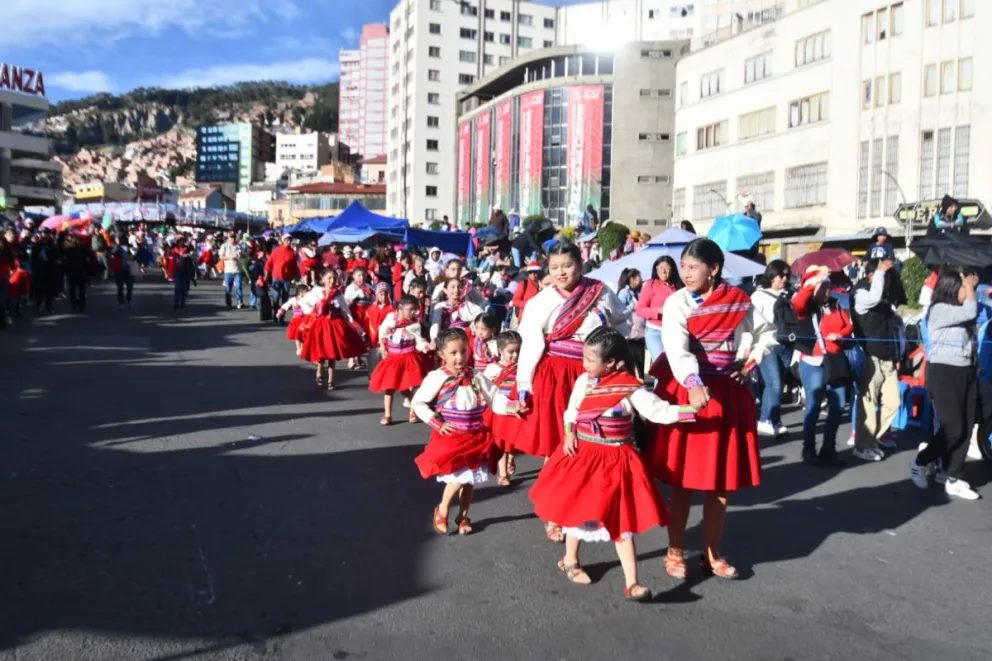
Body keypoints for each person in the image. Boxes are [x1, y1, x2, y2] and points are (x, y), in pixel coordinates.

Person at [529, 327, 696, 601]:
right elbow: (571, 412)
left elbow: (657, 410)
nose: (584, 364)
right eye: (584, 358)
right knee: (579, 511)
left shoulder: (630, 388)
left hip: (617, 460)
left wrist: (691, 410)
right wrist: (569, 433)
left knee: (621, 520)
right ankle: (570, 559)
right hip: (584, 456)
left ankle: (632, 583)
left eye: (589, 359)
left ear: (611, 363)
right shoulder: (584, 382)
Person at [645, 238, 776, 580]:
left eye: (693, 267)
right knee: (684, 480)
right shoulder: (678, 302)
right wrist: (692, 382)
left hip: (728, 392)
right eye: (683, 267)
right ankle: (675, 550)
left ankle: (711, 552)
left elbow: (767, 333)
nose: (685, 273)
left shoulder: (738, 301)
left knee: (720, 482)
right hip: (691, 390)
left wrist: (749, 363)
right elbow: (676, 348)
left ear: (714, 269)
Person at [516, 242, 628, 542]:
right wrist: (524, 385)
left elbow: (622, 319)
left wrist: (614, 352)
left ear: (580, 264)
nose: (561, 272)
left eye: (567, 265)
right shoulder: (541, 301)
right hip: (554, 376)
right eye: (554, 268)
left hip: (593, 373)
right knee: (557, 444)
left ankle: (588, 504)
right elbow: (530, 344)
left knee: (590, 442)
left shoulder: (599, 292)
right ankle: (553, 512)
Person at [412, 328, 511, 535]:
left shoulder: (476, 376)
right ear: (441, 354)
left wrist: (511, 406)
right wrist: (437, 423)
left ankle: (463, 516)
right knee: (459, 477)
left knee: (469, 480)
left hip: (476, 436)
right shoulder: (438, 377)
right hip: (452, 436)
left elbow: (494, 397)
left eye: (464, 351)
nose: (460, 357)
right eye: (453, 353)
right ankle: (443, 509)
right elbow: (418, 402)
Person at [909, 267, 981, 500]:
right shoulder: (939, 309)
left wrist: (970, 286)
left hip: (967, 370)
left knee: (966, 426)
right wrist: (968, 284)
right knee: (953, 427)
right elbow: (971, 310)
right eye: (963, 288)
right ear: (951, 289)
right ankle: (921, 460)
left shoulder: (959, 311)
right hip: (944, 373)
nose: (968, 292)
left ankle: (953, 476)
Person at [791, 266, 853, 466]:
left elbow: (848, 325)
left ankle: (828, 448)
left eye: (829, 287)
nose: (828, 292)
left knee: (838, 404)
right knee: (814, 404)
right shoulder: (805, 306)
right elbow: (798, 302)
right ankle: (809, 448)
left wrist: (840, 335)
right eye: (824, 288)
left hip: (834, 359)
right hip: (813, 360)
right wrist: (814, 281)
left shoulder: (835, 304)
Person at [851, 258, 903, 462]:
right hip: (870, 357)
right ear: (871, 275)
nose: (887, 279)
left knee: (893, 402)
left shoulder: (885, 296)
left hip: (888, 357)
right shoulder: (861, 293)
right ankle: (862, 444)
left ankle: (871, 438)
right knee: (868, 404)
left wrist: (897, 355)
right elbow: (873, 298)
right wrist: (881, 271)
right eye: (883, 275)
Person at [371, 294, 434, 425]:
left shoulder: (415, 324)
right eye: (410, 309)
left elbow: (419, 341)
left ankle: (413, 410)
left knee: (406, 386)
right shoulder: (391, 318)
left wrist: (426, 347)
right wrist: (382, 343)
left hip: (408, 357)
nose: (413, 312)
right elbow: (382, 330)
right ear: (400, 309)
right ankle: (387, 414)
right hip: (392, 358)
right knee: (389, 386)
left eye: (415, 310)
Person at [299, 270, 367, 390]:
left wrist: (356, 327)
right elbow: (303, 302)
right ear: (323, 280)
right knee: (320, 352)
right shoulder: (317, 292)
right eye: (329, 278)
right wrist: (312, 312)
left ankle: (331, 379)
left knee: (332, 354)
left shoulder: (338, 294)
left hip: (334, 326)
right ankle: (319, 372)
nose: (332, 281)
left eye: (334, 278)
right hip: (321, 325)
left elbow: (346, 312)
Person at [750, 260, 792, 437]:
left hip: (787, 344)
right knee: (774, 383)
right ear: (771, 275)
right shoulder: (758, 296)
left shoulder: (789, 294)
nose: (784, 279)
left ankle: (775, 420)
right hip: (767, 345)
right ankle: (765, 419)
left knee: (776, 384)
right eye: (780, 275)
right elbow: (751, 322)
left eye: (787, 275)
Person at [483, 330, 523, 486]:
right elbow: (484, 389)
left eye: (518, 351)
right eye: (511, 352)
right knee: (501, 441)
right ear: (500, 350)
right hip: (499, 410)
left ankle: (511, 458)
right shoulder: (492, 369)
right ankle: (503, 474)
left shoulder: (523, 368)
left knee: (513, 441)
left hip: (516, 408)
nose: (515, 355)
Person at [635, 255, 682, 368]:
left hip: (675, 331)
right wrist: (658, 311)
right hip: (655, 331)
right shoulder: (650, 286)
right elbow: (639, 310)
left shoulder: (679, 286)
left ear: (672, 269)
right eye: (660, 268)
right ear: (656, 269)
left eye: (667, 267)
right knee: (662, 365)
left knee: (675, 365)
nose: (663, 271)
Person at [265, 234, 300, 308]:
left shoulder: (293, 253)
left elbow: (294, 266)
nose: (289, 242)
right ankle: (275, 310)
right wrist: (266, 275)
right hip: (276, 276)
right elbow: (269, 263)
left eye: (290, 240)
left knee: (285, 295)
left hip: (287, 278)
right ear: (283, 241)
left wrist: (296, 276)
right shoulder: (276, 250)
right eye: (287, 240)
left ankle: (282, 311)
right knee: (276, 295)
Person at [277, 283, 312, 357]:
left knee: (304, 335)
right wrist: (280, 312)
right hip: (296, 320)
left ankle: (302, 348)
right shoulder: (293, 300)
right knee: (297, 335)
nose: (307, 294)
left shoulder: (306, 300)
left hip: (305, 319)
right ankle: (298, 348)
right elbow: (286, 306)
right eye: (306, 292)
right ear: (301, 292)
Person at [62, 235, 91, 312]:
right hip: (76, 271)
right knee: (76, 289)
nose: (77, 242)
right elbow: (65, 261)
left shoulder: (76, 250)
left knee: (78, 289)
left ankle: (78, 304)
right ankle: (77, 303)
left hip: (77, 272)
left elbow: (89, 259)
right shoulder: (71, 250)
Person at [219, 232, 244, 310]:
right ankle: (228, 303)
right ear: (228, 238)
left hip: (237, 270)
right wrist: (230, 257)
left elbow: (243, 255)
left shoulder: (238, 246)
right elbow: (221, 257)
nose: (232, 239)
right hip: (228, 270)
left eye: (233, 237)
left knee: (239, 287)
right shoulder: (225, 246)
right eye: (231, 237)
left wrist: (241, 255)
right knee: (228, 288)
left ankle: (240, 302)